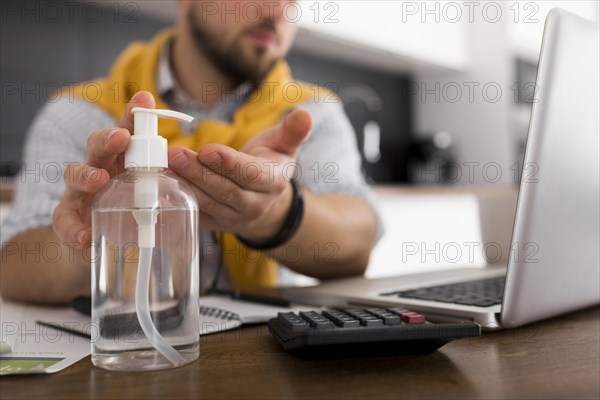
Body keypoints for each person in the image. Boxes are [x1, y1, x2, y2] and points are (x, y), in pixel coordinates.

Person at [0, 0, 380, 303]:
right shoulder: (78, 113)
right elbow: (11, 266)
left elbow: (357, 245)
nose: (277, 11)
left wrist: (275, 213)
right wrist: (95, 236)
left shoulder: (311, 113)